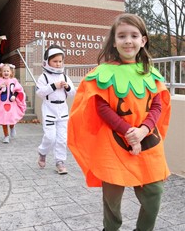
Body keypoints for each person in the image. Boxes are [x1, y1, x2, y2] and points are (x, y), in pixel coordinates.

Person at [67, 13, 171, 231]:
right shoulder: (103, 72)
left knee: (154, 193)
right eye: (122, 35)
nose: (128, 41)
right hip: (113, 146)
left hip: (148, 143)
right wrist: (127, 131)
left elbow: (157, 105)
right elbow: (102, 106)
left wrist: (143, 130)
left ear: (143, 41)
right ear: (114, 41)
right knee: (112, 197)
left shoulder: (152, 75)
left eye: (134, 35)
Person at [36, 44, 76, 174]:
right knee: (50, 137)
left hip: (62, 109)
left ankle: (60, 161)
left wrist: (67, 87)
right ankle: (42, 152)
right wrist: (53, 86)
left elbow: (73, 93)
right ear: (47, 61)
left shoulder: (64, 76)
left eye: (60, 61)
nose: (58, 64)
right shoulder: (44, 77)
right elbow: (40, 93)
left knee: (62, 138)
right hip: (49, 108)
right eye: (55, 61)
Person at [0, 63, 26, 143]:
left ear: (11, 72)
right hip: (2, 104)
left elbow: (19, 90)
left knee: (11, 118)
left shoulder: (14, 80)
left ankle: (12, 127)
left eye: (7, 71)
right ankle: (6, 136)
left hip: (12, 103)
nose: (6, 72)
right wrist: (0, 87)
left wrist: (14, 95)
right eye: (4, 71)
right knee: (3, 120)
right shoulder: (0, 80)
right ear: (1, 72)